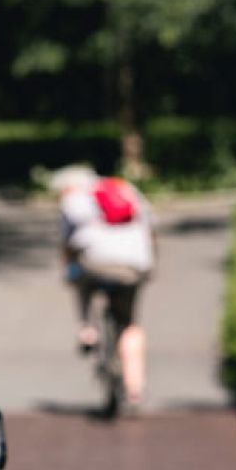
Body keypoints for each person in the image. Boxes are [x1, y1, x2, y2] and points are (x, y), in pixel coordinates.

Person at [50, 164, 157, 408]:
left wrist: (68, 270)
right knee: (129, 323)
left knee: (80, 280)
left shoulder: (74, 200)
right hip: (133, 265)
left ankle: (87, 328)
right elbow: (150, 228)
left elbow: (67, 243)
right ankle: (135, 387)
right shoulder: (126, 189)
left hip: (95, 264)